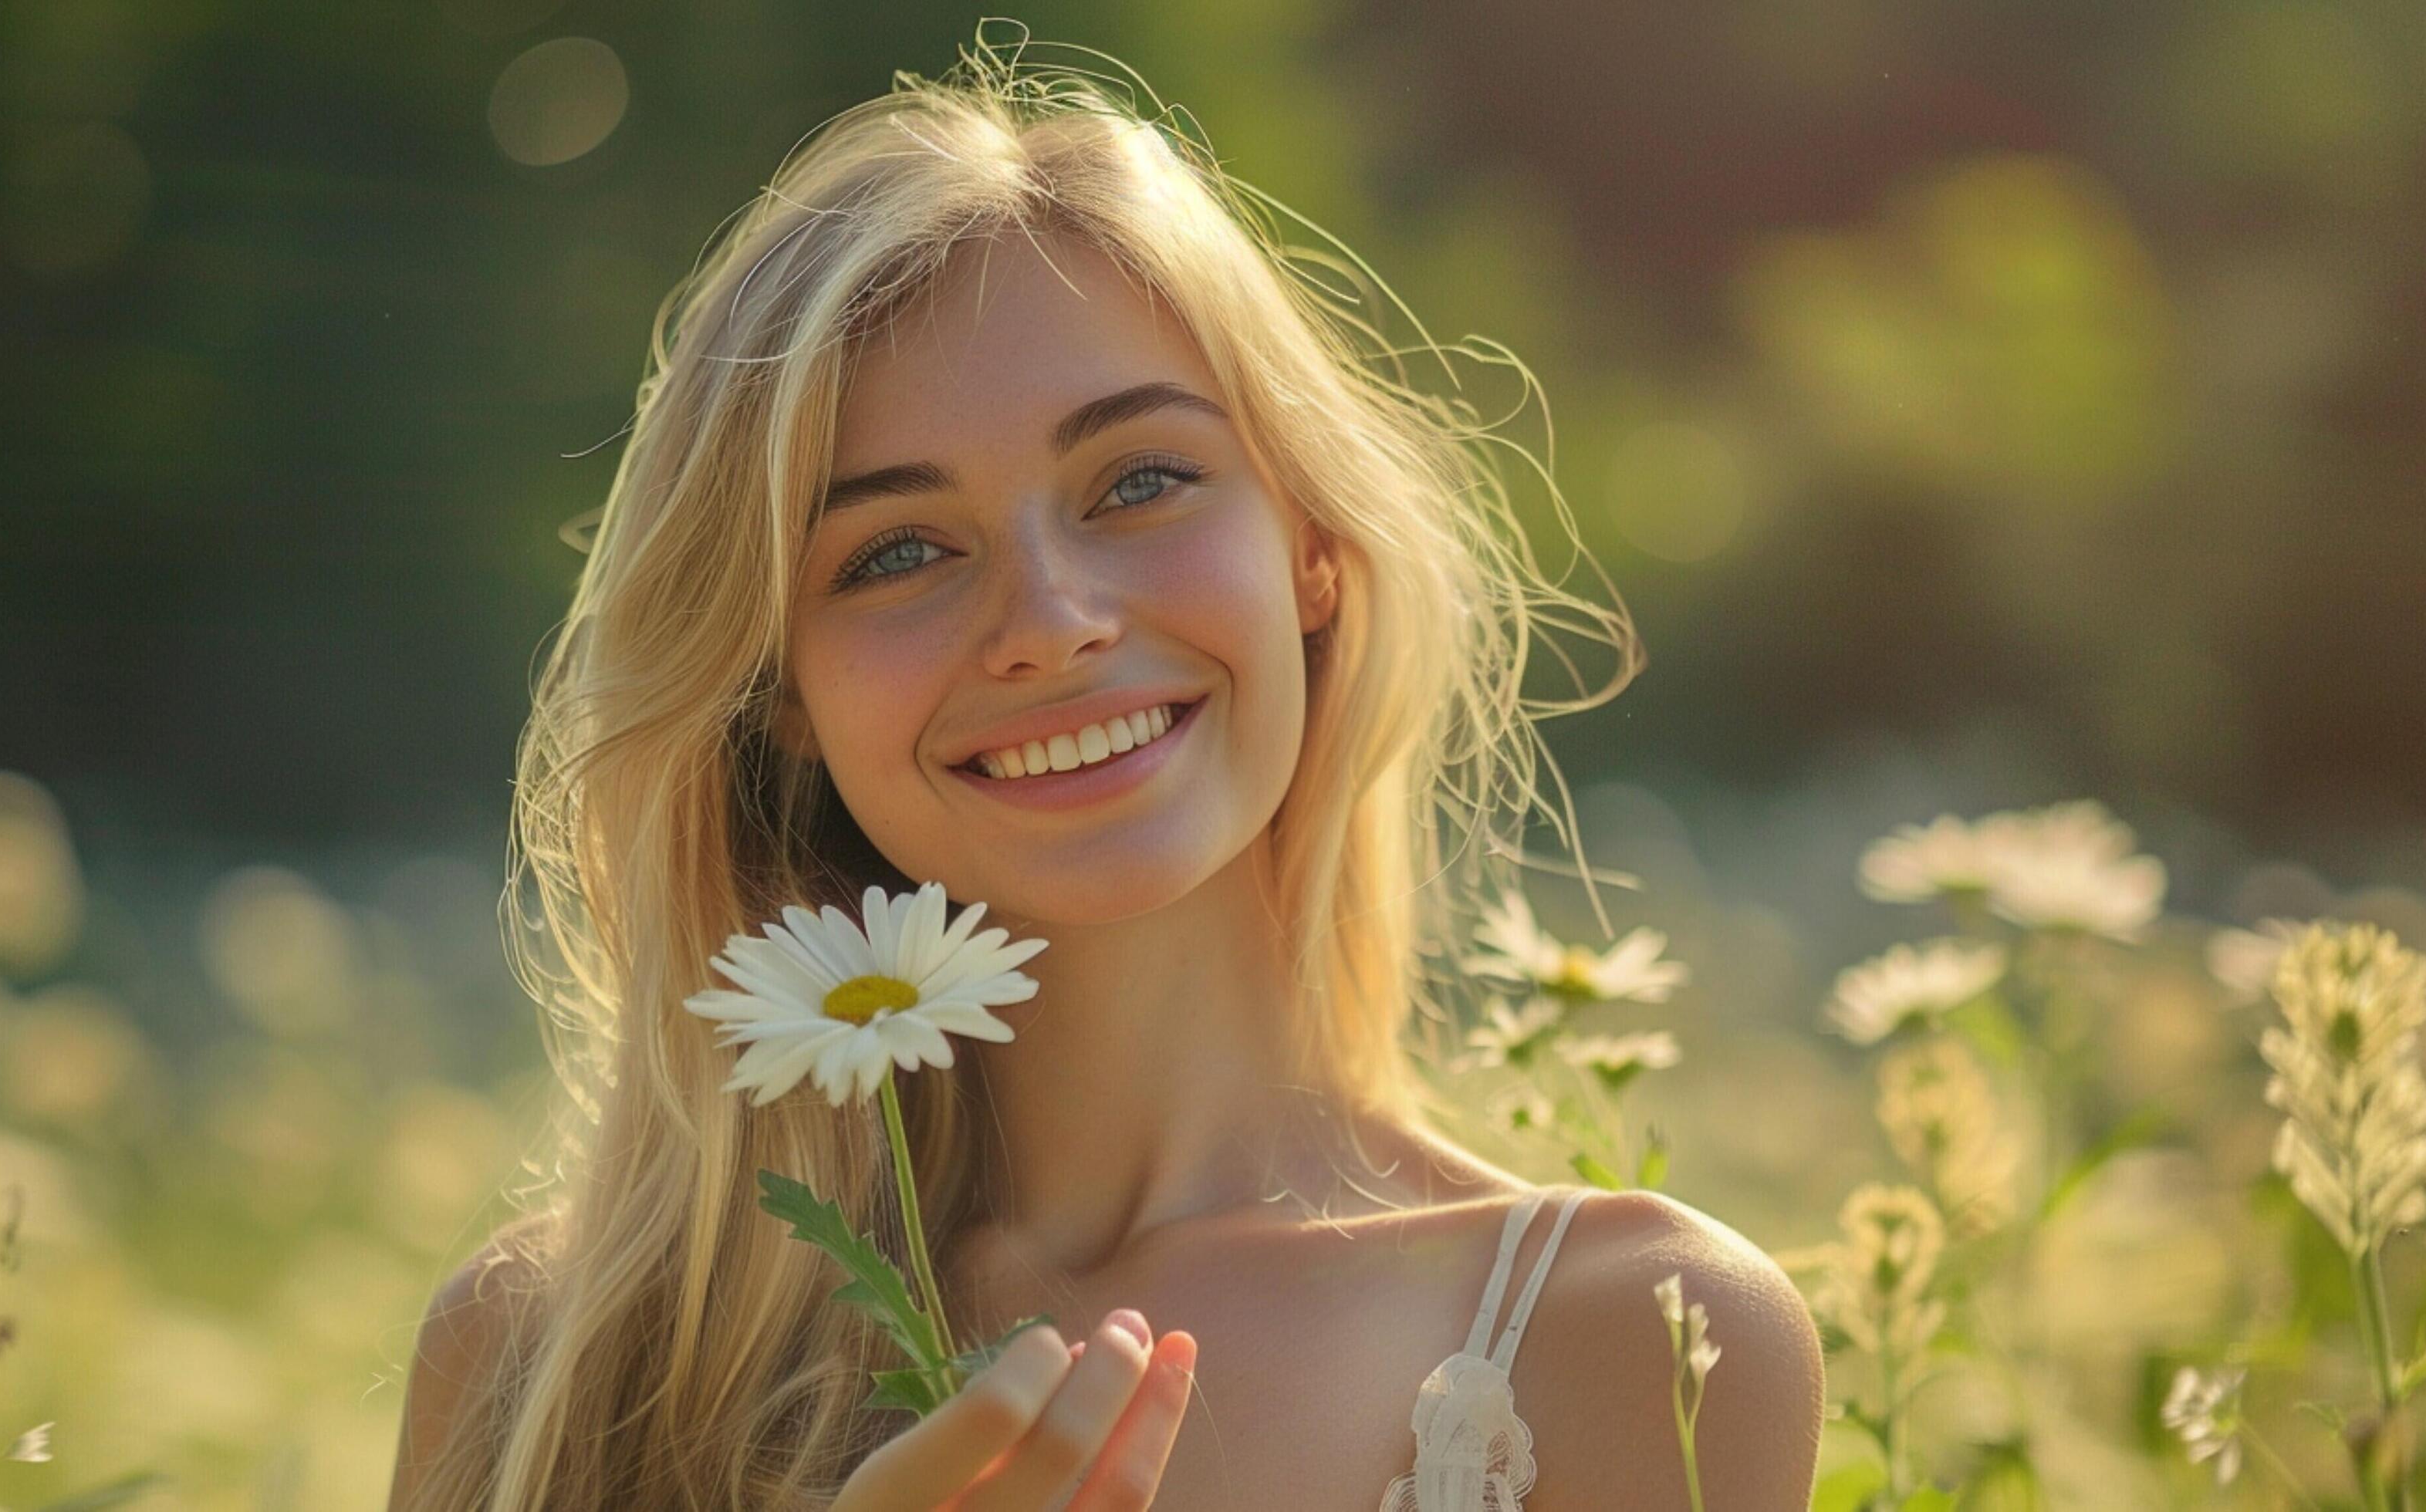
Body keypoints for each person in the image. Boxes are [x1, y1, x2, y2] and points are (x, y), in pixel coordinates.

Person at [390, 25, 1822, 1510]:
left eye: (1140, 480)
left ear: (1311, 549)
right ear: (778, 696)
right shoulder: (548, 1357)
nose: (1050, 626)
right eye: (894, 551)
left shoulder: (1635, 1337)